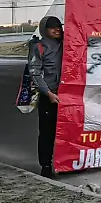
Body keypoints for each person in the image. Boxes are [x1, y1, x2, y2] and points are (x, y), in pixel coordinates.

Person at [28, 16, 63, 178]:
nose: (57, 29)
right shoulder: (39, 47)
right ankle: (46, 165)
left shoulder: (69, 43)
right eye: (52, 27)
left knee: (69, 131)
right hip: (49, 96)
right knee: (47, 133)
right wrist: (48, 93)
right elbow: (35, 73)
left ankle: (69, 162)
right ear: (44, 30)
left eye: (58, 26)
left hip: (69, 96)